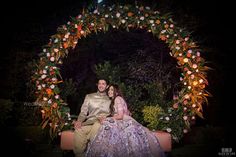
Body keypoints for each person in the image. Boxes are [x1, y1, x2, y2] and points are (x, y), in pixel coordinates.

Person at [86, 84, 166, 157]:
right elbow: (123, 113)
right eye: (109, 90)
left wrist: (107, 119)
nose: (109, 92)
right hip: (124, 120)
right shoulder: (116, 100)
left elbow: (120, 116)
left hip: (124, 121)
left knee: (107, 127)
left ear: (116, 92)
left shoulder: (117, 99)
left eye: (112, 90)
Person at [73, 78, 111, 157]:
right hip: (90, 123)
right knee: (78, 130)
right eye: (99, 83)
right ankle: (80, 155)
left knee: (97, 127)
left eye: (103, 84)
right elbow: (83, 112)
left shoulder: (110, 99)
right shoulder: (89, 96)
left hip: (102, 124)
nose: (101, 85)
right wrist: (79, 121)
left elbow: (114, 113)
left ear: (107, 86)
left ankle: (92, 152)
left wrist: (107, 118)